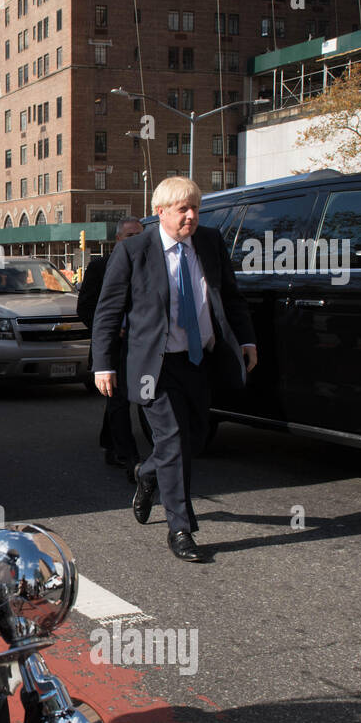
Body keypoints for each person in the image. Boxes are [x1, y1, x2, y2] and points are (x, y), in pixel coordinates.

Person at [91, 178, 257, 563]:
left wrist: (247, 341)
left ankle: (148, 473)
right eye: (183, 209)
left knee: (193, 439)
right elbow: (108, 311)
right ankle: (180, 527)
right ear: (161, 212)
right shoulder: (134, 251)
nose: (191, 216)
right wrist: (102, 364)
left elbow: (230, 297)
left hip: (198, 360)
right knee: (174, 436)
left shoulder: (211, 243)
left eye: (196, 208)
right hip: (154, 365)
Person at [78, 216, 144, 481]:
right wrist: (110, 328)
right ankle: (130, 459)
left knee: (122, 399)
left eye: (140, 234)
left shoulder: (150, 264)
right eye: (130, 236)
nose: (136, 240)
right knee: (118, 399)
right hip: (113, 346)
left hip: (140, 344)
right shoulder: (100, 267)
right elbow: (85, 307)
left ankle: (109, 442)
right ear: (118, 239)